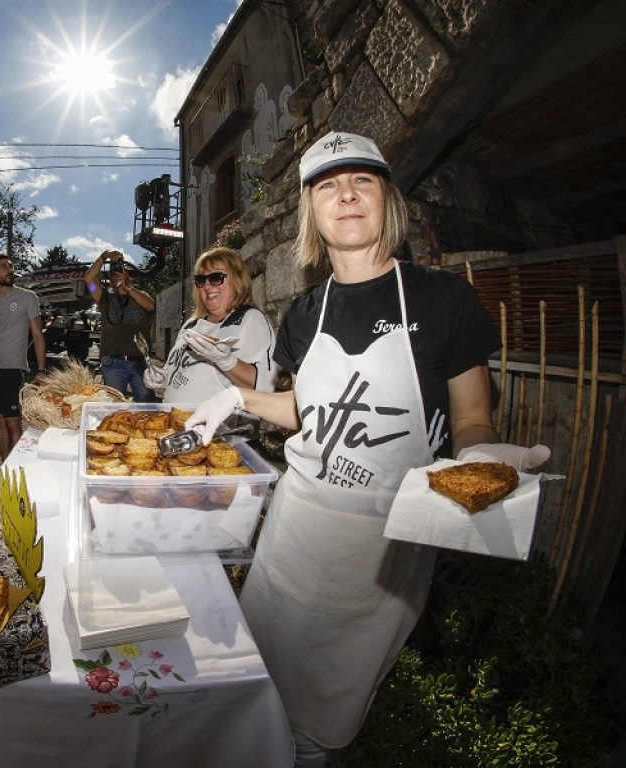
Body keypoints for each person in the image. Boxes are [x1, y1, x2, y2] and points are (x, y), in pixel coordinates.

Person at [184, 132, 551, 767]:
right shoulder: (303, 312)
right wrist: (240, 401)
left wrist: (478, 459)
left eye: (363, 180)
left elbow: (471, 420)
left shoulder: (444, 300)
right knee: (255, 690)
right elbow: (308, 409)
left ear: (388, 199)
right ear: (311, 210)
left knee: (321, 723)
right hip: (291, 541)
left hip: (381, 558)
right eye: (327, 184)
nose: (346, 194)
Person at [144, 246, 276, 403]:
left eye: (216, 278)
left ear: (237, 280)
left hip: (219, 426)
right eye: (201, 280)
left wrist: (228, 362)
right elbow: (177, 371)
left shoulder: (249, 319)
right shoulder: (191, 324)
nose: (207, 286)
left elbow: (263, 387)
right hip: (175, 422)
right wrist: (162, 376)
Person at [0, 255, 46, 461]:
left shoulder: (28, 297)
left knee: (13, 422)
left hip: (14, 369)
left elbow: (37, 335)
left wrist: (41, 370)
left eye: (11, 266)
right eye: (3, 266)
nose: (9, 269)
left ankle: (17, 468)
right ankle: (5, 468)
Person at [84, 250, 155, 401]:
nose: (116, 277)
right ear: (109, 279)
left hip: (140, 362)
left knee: (147, 405)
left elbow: (150, 307)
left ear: (128, 276)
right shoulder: (104, 298)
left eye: (120, 273)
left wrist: (128, 288)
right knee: (114, 406)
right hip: (113, 363)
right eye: (113, 275)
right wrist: (104, 257)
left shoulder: (140, 296)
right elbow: (89, 279)